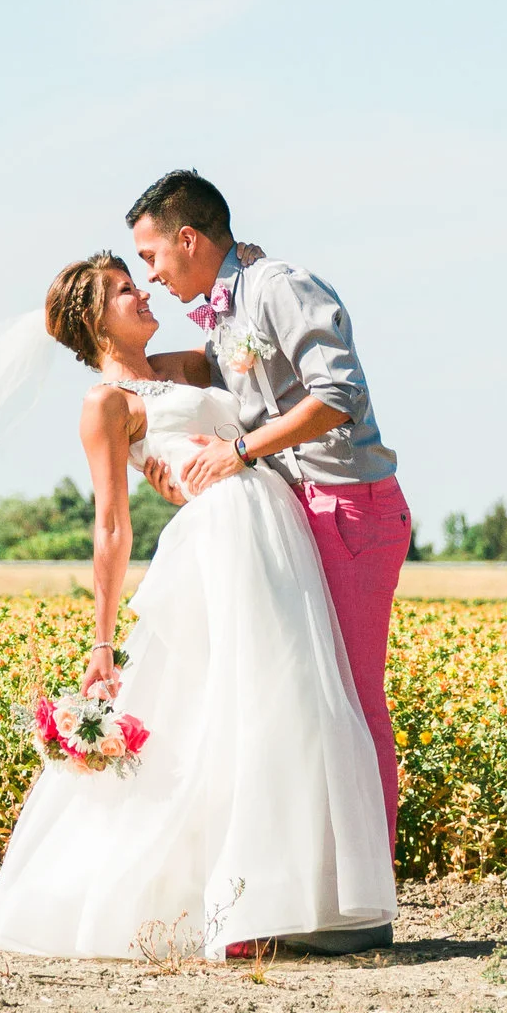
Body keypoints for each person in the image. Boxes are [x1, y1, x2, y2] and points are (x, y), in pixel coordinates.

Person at [0, 253, 396, 961]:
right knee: (235, 707)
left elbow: (249, 375)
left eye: (138, 279)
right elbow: (112, 525)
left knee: (294, 700)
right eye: (123, 290)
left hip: (276, 523)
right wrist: (102, 642)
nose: (143, 292)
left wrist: (248, 269)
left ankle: (301, 899)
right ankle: (235, 905)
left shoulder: (188, 364)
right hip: (221, 538)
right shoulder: (104, 404)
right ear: (93, 322)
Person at [126, 170, 411, 873]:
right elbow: (212, 381)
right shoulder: (225, 309)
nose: (151, 275)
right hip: (294, 514)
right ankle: (323, 878)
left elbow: (338, 395)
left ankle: (371, 886)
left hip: (348, 506)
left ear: (187, 239)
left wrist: (240, 452)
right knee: (305, 702)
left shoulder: (279, 286)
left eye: (152, 256)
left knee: (353, 702)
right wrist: (122, 383)